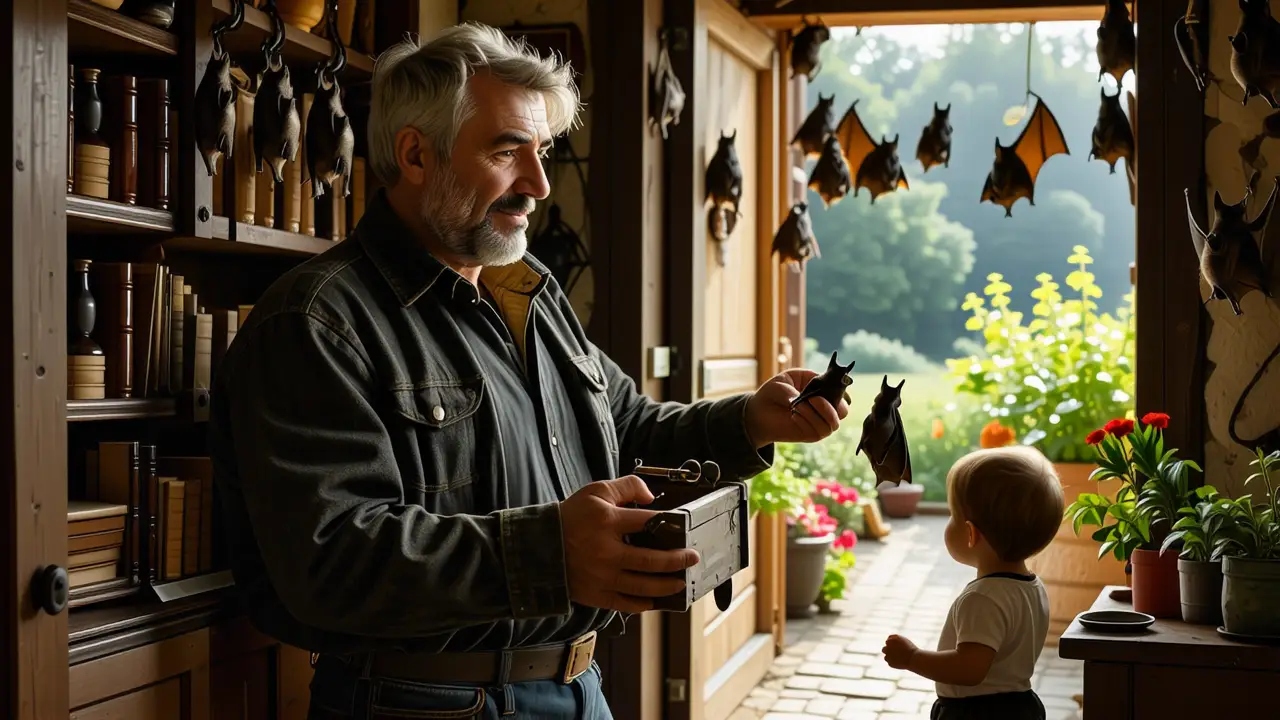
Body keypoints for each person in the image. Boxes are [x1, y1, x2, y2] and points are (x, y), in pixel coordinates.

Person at [207, 22, 849, 720]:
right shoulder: (314, 324)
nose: (538, 184)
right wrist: (550, 553)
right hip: (420, 703)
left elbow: (623, 423)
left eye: (541, 152)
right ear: (416, 154)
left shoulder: (525, 288)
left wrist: (749, 421)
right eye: (507, 151)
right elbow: (330, 561)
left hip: (579, 688)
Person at [880, 446, 1064, 720]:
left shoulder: (982, 598)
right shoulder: (1032, 587)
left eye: (952, 515)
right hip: (1021, 706)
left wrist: (912, 657)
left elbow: (969, 669)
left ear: (970, 534)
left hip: (977, 712)